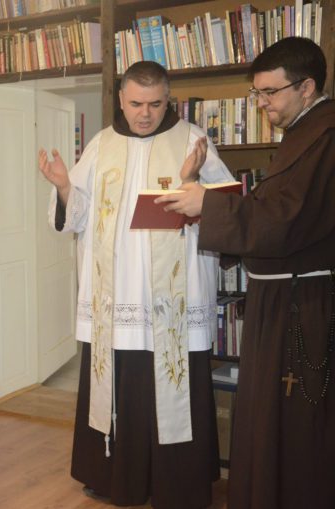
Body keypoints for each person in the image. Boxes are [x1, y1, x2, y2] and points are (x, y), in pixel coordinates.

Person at [38, 61, 234, 508]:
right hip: (117, 297)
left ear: (168, 100)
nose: (145, 114)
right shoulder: (102, 144)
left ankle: (178, 486)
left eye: (155, 104)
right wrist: (65, 187)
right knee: (118, 388)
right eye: (136, 104)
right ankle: (114, 479)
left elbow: (230, 212)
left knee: (174, 385)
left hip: (173, 300)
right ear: (121, 101)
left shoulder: (193, 140)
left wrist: (192, 183)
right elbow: (76, 217)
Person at [156, 37, 335, 509]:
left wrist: (208, 204)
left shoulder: (326, 136)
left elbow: (286, 219)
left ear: (307, 87)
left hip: (302, 304)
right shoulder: (303, 132)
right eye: (257, 93)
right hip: (279, 299)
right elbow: (268, 208)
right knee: (267, 414)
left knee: (292, 419)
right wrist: (199, 194)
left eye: (270, 92)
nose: (261, 104)